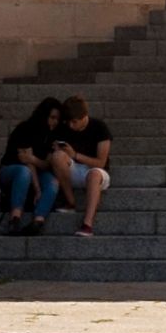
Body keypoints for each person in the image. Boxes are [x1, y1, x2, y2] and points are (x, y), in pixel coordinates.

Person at [0, 95, 66, 229]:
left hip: (38, 171)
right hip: (11, 169)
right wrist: (37, 189)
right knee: (24, 171)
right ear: (43, 115)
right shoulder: (25, 129)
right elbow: (25, 161)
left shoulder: (54, 134)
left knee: (53, 182)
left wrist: (33, 159)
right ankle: (15, 216)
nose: (55, 122)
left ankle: (38, 220)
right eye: (52, 117)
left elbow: (46, 163)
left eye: (58, 119)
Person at [49, 95, 112, 236]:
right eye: (68, 122)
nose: (71, 125)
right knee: (57, 157)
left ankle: (87, 224)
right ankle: (71, 202)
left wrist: (75, 155)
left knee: (94, 174)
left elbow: (101, 162)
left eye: (74, 122)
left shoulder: (100, 128)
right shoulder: (65, 128)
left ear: (84, 116)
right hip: (73, 171)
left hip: (96, 171)